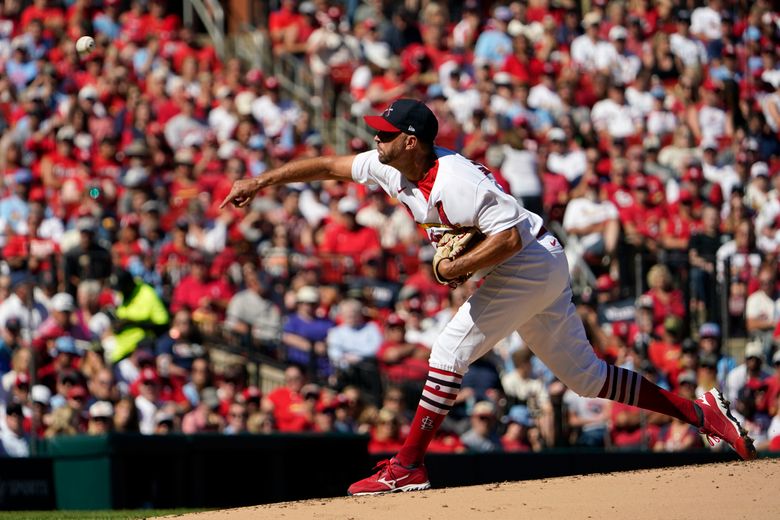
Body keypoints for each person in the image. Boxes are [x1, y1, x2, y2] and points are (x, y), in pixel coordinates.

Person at [220, 98, 756, 495]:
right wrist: (261, 180)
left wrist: (456, 266)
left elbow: (510, 234)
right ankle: (703, 413)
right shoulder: (391, 166)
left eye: (384, 135)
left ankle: (407, 466)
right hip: (537, 263)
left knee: (447, 352)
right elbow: (329, 165)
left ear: (412, 140)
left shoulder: (456, 179)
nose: (374, 143)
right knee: (586, 378)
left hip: (528, 260)